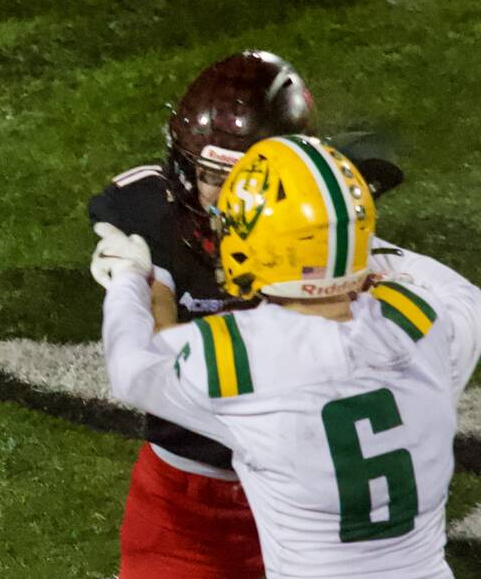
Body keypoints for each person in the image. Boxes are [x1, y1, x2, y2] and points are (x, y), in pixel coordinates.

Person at [99, 134, 480, 578]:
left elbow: (132, 364)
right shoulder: (421, 320)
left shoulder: (239, 356)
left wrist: (128, 277)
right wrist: (343, 243)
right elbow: (463, 295)